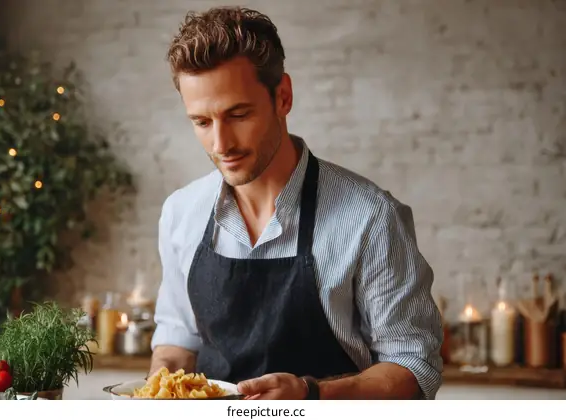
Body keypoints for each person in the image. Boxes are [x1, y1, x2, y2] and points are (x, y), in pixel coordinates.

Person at [149, 6, 443, 400]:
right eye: (202, 122)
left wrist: (312, 394)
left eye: (238, 114)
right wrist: (157, 390)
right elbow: (175, 343)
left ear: (283, 96)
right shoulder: (180, 213)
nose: (221, 145)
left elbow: (413, 368)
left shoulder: (369, 217)